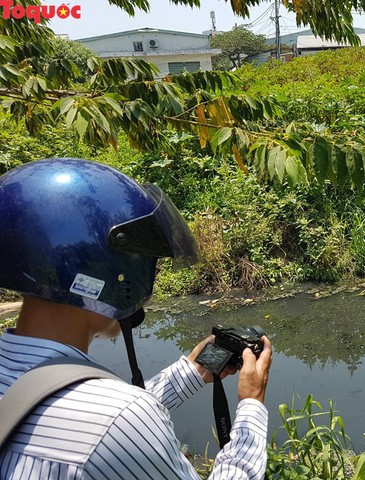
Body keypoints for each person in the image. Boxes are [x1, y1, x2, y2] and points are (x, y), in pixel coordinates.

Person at [0, 158, 272, 480]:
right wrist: (252, 406)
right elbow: (114, 424)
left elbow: (90, 416)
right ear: (105, 267)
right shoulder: (118, 419)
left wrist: (192, 371)